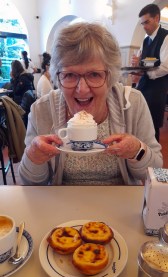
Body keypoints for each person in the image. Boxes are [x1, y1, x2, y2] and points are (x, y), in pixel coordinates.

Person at [18, 22, 163, 186]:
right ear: (58, 77)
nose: (82, 89)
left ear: (110, 77)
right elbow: (29, 182)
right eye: (70, 75)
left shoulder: (133, 103)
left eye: (94, 74)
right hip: (62, 203)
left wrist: (137, 150)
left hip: (120, 202)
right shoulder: (41, 110)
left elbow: (155, 170)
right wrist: (33, 156)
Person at [131, 4, 168, 142]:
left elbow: (165, 66)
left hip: (157, 89)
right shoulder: (145, 41)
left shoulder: (166, 37)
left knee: (152, 125)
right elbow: (143, 62)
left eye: (147, 22)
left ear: (157, 18)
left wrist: (146, 73)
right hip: (143, 86)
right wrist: (137, 65)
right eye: (142, 23)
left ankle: (153, 160)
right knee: (140, 121)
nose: (144, 26)